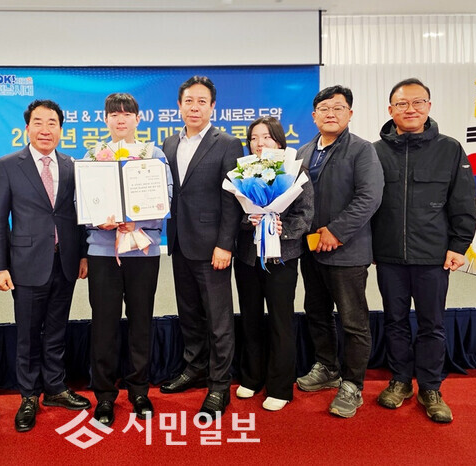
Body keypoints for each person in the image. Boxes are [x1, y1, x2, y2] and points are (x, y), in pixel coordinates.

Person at [372, 78, 476, 423]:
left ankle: (431, 388)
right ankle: (400, 380)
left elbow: (463, 201)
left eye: (418, 102)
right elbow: (367, 204)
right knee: (395, 321)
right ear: (391, 110)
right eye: (402, 104)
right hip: (389, 256)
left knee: (432, 324)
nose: (410, 109)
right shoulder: (375, 152)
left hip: (433, 256)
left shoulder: (450, 149)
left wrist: (459, 245)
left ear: (429, 107)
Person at [0, 99, 90, 433]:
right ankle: (29, 395)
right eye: (38, 122)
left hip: (66, 261)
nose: (45, 129)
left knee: (57, 329)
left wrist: (83, 255)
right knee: (29, 334)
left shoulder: (72, 165)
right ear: (27, 128)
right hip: (26, 263)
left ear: (61, 130)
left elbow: (79, 214)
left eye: (52, 123)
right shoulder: (7, 166)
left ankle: (56, 387)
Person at [296, 85, 384, 418]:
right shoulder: (303, 152)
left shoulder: (362, 150)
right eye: (324, 108)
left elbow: (369, 197)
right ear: (314, 115)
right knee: (316, 312)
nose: (330, 114)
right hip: (311, 249)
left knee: (353, 321)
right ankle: (327, 368)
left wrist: (337, 231)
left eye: (338, 108)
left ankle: (352, 385)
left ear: (350, 113)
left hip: (347, 251)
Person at [85, 93, 173, 427]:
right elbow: (83, 200)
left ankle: (139, 390)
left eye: (127, 114)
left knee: (141, 321)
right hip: (103, 251)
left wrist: (138, 220)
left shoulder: (154, 155)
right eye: (114, 114)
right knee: (103, 324)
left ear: (138, 119)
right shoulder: (93, 155)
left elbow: (166, 197)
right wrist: (99, 220)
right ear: (105, 119)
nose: (120, 119)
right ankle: (105, 396)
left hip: (142, 249)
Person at [159, 76, 243, 419]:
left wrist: (225, 244)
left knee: (218, 320)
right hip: (180, 243)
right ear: (179, 106)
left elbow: (232, 200)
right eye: (189, 101)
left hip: (213, 249)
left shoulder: (228, 144)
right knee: (189, 314)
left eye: (202, 102)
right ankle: (194, 368)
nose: (195, 107)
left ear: (213, 107)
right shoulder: (168, 143)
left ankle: (220, 385)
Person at [233, 117, 313, 411]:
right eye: (254, 138)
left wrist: (283, 228)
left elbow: (306, 214)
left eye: (266, 137)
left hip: (282, 257)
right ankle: (252, 377)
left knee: (281, 319)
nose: (260, 143)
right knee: (250, 317)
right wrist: (249, 219)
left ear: (279, 141)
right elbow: (233, 214)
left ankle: (280, 386)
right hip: (247, 257)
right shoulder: (242, 171)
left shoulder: (295, 170)